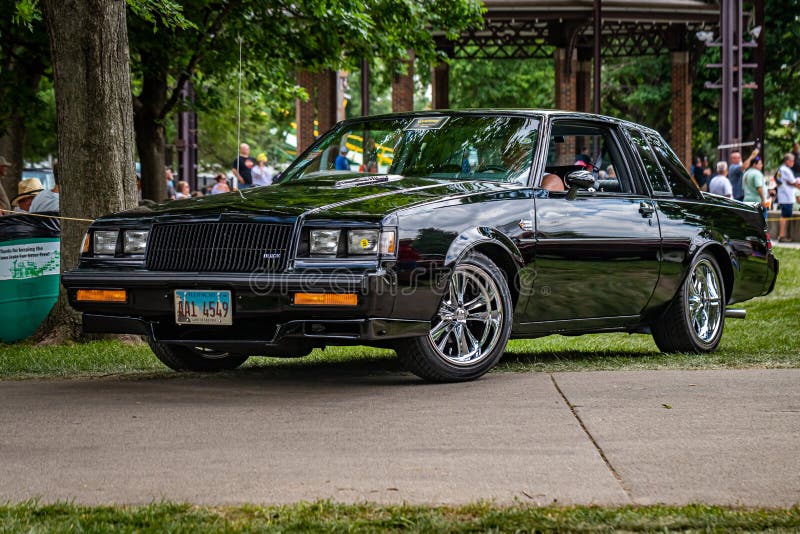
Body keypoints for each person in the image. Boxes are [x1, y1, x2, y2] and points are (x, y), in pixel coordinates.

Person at [777, 152, 798, 242]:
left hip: (784, 196)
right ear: (787, 161)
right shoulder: (785, 170)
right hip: (786, 197)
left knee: (785, 215)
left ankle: (782, 236)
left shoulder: (781, 169)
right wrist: (794, 183)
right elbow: (794, 182)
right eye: (792, 161)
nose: (793, 163)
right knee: (784, 216)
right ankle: (781, 236)